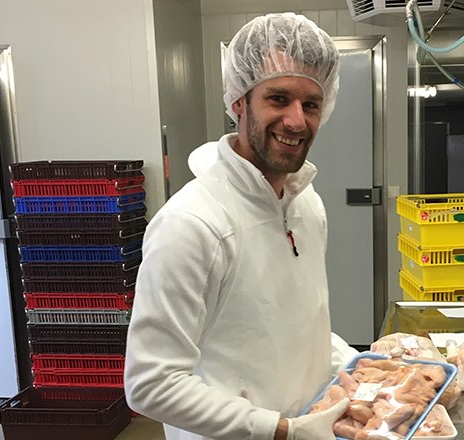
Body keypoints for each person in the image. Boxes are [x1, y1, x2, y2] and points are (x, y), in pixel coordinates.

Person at [124, 12, 359, 440]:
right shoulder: (191, 224)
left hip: (307, 423)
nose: (296, 120)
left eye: (311, 104)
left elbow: (297, 323)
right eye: (278, 98)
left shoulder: (307, 204)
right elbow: (150, 384)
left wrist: (357, 363)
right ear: (238, 102)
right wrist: (280, 430)